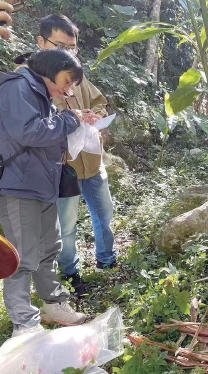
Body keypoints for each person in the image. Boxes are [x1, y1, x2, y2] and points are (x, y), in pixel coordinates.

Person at [0, 49, 88, 336]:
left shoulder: (43, 95)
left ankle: (54, 304)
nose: (69, 88)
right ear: (52, 68)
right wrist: (70, 120)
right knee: (22, 256)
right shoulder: (17, 87)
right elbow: (29, 132)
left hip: (43, 184)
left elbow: (49, 136)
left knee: (49, 248)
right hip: (18, 185)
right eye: (68, 79)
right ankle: (24, 322)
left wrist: (75, 123)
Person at [37, 15, 118, 297]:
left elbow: (98, 101)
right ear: (41, 43)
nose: (67, 53)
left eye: (72, 48)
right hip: (62, 168)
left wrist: (97, 116)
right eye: (60, 45)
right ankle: (71, 275)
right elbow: (33, 128)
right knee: (66, 226)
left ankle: (107, 260)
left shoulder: (77, 75)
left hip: (92, 161)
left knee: (104, 213)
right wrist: (68, 119)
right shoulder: (32, 81)